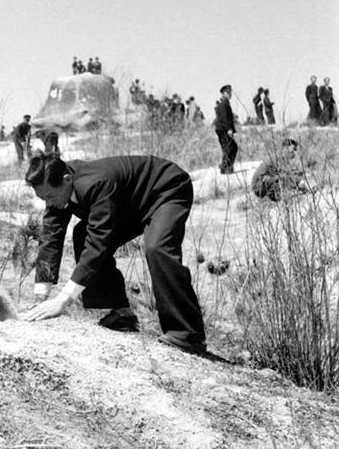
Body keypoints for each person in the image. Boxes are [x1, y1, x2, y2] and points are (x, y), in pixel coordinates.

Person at [23, 153, 206, 354]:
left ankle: (187, 334)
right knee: (82, 234)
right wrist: (40, 297)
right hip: (130, 201)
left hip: (166, 189)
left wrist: (63, 300)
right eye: (44, 199)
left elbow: (97, 245)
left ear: (67, 180)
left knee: (157, 248)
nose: (49, 203)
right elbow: (50, 238)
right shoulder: (56, 183)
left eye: (50, 197)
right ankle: (122, 314)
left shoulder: (96, 183)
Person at [213, 84, 237, 174]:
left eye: (230, 92)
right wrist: (229, 129)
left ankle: (227, 166)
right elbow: (224, 118)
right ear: (223, 93)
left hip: (223, 129)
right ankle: (225, 168)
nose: (230, 94)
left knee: (231, 147)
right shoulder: (223, 104)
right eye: (228, 92)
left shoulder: (225, 103)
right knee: (230, 148)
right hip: (223, 129)